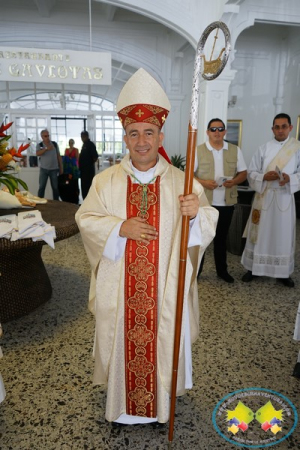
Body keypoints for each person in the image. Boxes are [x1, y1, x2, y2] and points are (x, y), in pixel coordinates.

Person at [75, 68, 218, 426]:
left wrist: (194, 215)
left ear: (160, 136)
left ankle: (162, 403)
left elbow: (207, 223)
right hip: (123, 291)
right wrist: (118, 227)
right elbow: (86, 218)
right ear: (125, 137)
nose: (141, 141)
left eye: (148, 133)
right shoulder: (104, 181)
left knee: (164, 336)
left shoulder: (182, 182)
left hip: (164, 293)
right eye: (134, 133)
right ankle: (123, 407)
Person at [241, 113, 300, 288]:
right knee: (260, 234)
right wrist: (264, 176)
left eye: (284, 126)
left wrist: (291, 179)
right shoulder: (263, 149)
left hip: (284, 198)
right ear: (272, 129)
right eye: (277, 126)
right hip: (264, 197)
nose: (280, 130)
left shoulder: (297, 149)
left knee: (282, 235)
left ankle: (282, 273)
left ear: (290, 128)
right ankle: (253, 268)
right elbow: (251, 172)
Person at [194, 118, 247, 283]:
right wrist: (204, 183)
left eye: (220, 129)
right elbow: (188, 174)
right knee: (202, 239)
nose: (217, 132)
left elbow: (243, 172)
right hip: (205, 204)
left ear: (224, 132)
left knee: (221, 239)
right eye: (213, 129)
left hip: (226, 203)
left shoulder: (234, 150)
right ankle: (197, 273)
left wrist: (235, 181)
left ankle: (222, 271)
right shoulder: (198, 150)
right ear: (207, 132)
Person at [36, 129, 63, 200]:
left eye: (48, 135)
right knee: (42, 187)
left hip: (54, 169)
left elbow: (58, 156)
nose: (47, 137)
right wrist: (46, 149)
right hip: (44, 169)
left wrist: (61, 167)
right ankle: (39, 201)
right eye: (45, 136)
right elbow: (37, 153)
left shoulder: (54, 144)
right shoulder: (40, 145)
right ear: (42, 137)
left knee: (55, 187)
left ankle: (56, 202)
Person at [79, 131, 98, 199]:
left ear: (87, 136)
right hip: (83, 170)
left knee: (88, 186)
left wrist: (89, 163)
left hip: (88, 171)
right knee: (83, 187)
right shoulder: (84, 145)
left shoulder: (91, 145)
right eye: (81, 137)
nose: (82, 138)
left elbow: (95, 157)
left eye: (83, 137)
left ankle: (89, 201)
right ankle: (85, 201)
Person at [61, 138, 80, 204]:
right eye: (70, 142)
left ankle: (76, 196)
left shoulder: (76, 150)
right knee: (68, 182)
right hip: (67, 169)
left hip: (73, 168)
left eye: (72, 143)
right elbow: (64, 159)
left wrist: (71, 159)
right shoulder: (66, 150)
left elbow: (77, 158)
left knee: (75, 182)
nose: (71, 144)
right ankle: (68, 196)